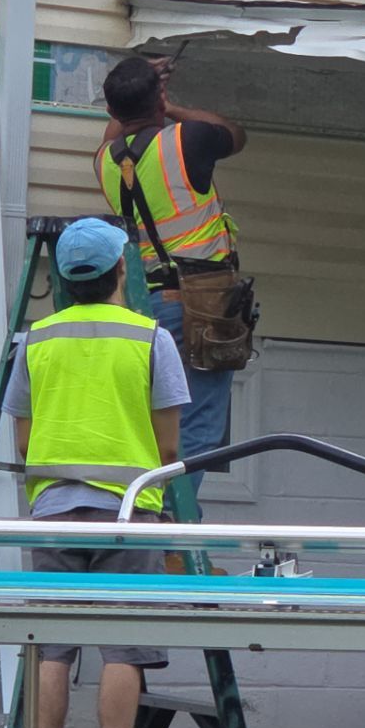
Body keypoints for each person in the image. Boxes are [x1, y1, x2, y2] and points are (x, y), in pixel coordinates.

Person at [3, 216, 191, 728]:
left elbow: (21, 441)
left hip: (52, 512)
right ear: (119, 272)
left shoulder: (37, 340)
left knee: (52, 646)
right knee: (124, 646)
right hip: (129, 513)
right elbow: (169, 445)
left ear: (63, 278)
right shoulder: (150, 337)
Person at [94, 53, 247, 478]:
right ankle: (176, 529)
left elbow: (114, 132)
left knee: (151, 419)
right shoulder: (187, 140)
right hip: (201, 302)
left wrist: (144, 87)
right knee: (197, 425)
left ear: (111, 110)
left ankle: (150, 512)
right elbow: (234, 133)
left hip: (144, 305)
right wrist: (169, 104)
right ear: (159, 103)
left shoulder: (105, 162)